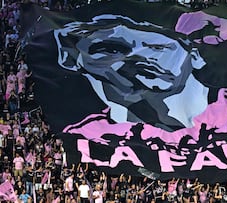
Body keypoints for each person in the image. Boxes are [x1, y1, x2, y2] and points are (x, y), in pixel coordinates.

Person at [54, 14, 210, 131]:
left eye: (157, 48)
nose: (139, 58)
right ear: (68, 57)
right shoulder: (83, 128)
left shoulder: (222, 118)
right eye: (111, 50)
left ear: (195, 56)